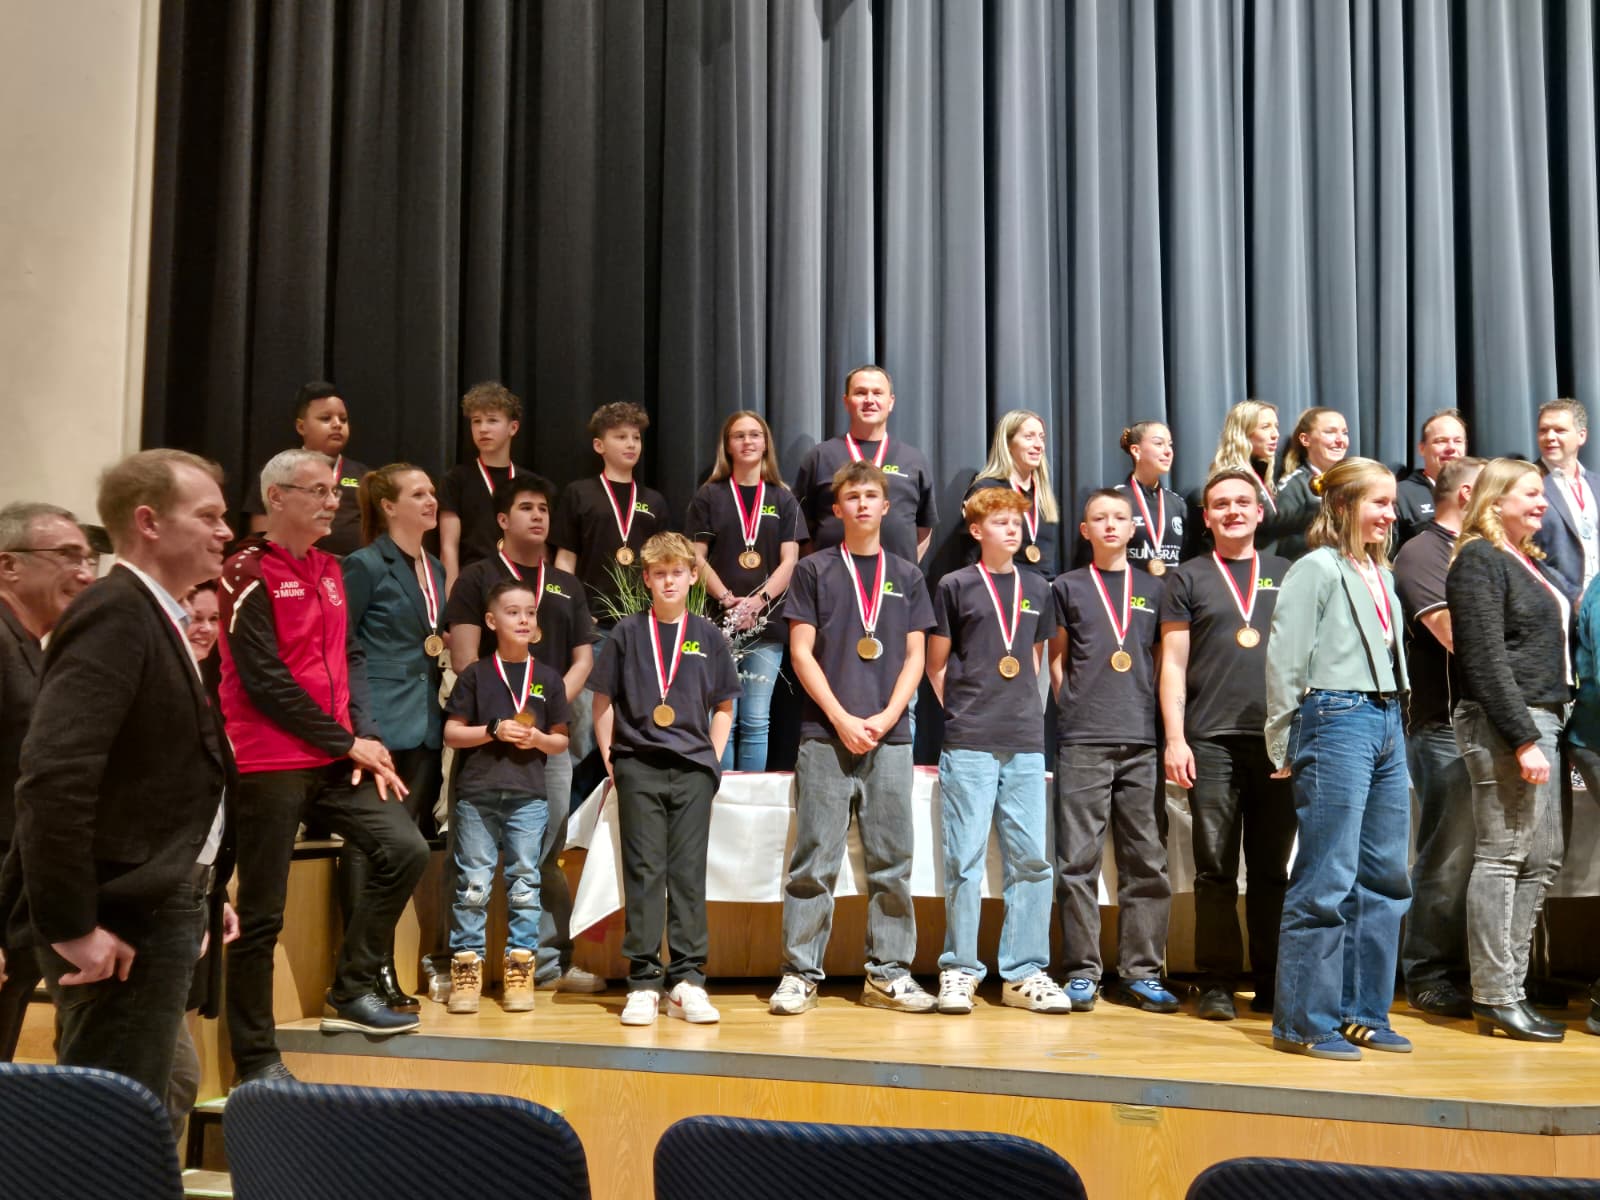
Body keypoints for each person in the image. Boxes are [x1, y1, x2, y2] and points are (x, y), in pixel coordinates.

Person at [4, 451, 231, 1106]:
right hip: (124, 914)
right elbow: (54, 777)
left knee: (163, 1091)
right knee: (111, 1119)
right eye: (208, 515)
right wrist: (72, 925)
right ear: (149, 523)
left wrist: (206, 881)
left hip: (159, 903)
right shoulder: (116, 612)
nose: (225, 530)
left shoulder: (155, 614)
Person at [219, 449, 430, 1084]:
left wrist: (366, 734)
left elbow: (351, 656)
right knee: (261, 915)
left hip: (335, 755)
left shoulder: (331, 568)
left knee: (406, 849)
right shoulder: (246, 571)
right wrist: (345, 742)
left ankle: (352, 986)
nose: (331, 501)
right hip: (269, 760)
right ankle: (255, 1059)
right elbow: (264, 680)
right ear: (276, 497)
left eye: (333, 491)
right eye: (316, 491)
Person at [770, 461, 936, 1016]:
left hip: (891, 736)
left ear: (886, 507)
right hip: (825, 733)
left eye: (871, 496)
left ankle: (888, 975)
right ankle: (800, 974)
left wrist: (886, 717)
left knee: (892, 862)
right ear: (837, 509)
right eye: (853, 497)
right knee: (814, 861)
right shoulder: (814, 570)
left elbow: (915, 657)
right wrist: (841, 717)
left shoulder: (907, 575)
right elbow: (800, 654)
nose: (863, 504)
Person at [1264, 457, 1411, 1060]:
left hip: (1387, 717)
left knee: (1386, 877)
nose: (1391, 514)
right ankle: (1303, 1021)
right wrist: (1282, 739)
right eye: (1379, 502)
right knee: (1327, 875)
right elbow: (1285, 657)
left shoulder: (1380, 572)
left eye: (1392, 503)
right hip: (1336, 715)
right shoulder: (1316, 568)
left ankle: (1363, 1012)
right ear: (1345, 505)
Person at [444, 474, 600, 994]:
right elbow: (465, 658)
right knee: (469, 859)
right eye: (526, 508)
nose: (538, 516)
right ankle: (455, 962)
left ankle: (546, 964)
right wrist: (497, 723)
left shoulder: (566, 584)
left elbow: (583, 659)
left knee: (544, 855)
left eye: (544, 509)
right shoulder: (477, 577)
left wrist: (543, 708)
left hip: (546, 741)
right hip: (486, 738)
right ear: (502, 520)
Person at [925, 488, 1068, 1015]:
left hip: (1025, 742)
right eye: (1000, 522)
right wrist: (964, 711)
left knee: (1032, 861)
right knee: (964, 860)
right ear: (976, 530)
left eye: (1017, 522)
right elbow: (935, 662)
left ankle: (1023, 972)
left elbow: (1033, 658)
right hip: (969, 740)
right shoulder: (954, 585)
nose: (1012, 530)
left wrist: (1023, 712)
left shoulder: (1038, 587)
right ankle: (960, 968)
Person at [1159, 470, 1294, 1021]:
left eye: (1243, 502)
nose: (1233, 511)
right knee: (1214, 868)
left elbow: (1306, 659)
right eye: (1221, 504)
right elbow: (1172, 664)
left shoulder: (1288, 574)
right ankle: (1216, 981)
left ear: (1260, 512)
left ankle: (1273, 982)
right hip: (1210, 740)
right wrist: (1175, 738)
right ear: (1207, 517)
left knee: (1271, 871)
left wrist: (1300, 733)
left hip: (1278, 740)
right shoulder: (1187, 577)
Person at [590, 533, 740, 1026]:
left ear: (694, 576)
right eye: (660, 573)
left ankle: (688, 981)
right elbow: (602, 703)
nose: (669, 580)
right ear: (647, 579)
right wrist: (613, 760)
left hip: (693, 769)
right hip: (638, 764)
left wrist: (711, 760)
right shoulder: (627, 633)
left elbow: (724, 705)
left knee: (688, 874)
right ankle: (643, 982)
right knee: (644, 872)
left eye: (678, 572)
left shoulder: (709, 635)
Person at [1448, 459, 1573, 1043]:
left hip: (1544, 716)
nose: (1542, 502)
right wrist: (1522, 737)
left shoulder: (1525, 559)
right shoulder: (1479, 558)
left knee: (1542, 858)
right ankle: (1495, 996)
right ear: (1495, 500)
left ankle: (1511, 989)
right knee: (1503, 855)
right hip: (1507, 721)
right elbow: (1483, 656)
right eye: (1530, 493)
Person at [1049, 490, 1175, 1014]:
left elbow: (1161, 659)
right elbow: (1056, 659)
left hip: (1141, 739)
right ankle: (1082, 971)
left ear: (1132, 528)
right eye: (1098, 518)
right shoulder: (1067, 587)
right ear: (1085, 530)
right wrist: (1073, 706)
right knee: (1076, 862)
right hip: (1083, 739)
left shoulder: (1155, 588)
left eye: (1119, 517)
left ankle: (1142, 972)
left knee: (1146, 861)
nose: (1109, 525)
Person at [340, 463, 449, 1011]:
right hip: (378, 725)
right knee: (370, 846)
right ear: (388, 506)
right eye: (418, 493)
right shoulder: (363, 564)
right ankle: (366, 970)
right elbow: (342, 646)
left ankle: (379, 967)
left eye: (432, 492)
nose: (431, 500)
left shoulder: (435, 567)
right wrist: (360, 727)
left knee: (404, 849)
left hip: (425, 722)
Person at [442, 579, 571, 1014]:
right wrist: (492, 730)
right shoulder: (476, 675)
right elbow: (452, 733)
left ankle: (520, 970)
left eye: (530, 612)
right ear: (491, 621)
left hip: (528, 797)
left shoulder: (548, 678)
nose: (523, 619)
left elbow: (560, 741)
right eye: (513, 612)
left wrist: (537, 738)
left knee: (524, 884)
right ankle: (466, 970)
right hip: (477, 794)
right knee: (473, 885)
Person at [0, 502, 97, 1061]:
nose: (84, 573)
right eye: (66, 555)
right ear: (9, 565)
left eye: (87, 558)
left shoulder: (32, 649)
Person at [1392, 456, 1485, 1017]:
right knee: (1448, 856)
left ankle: (1493, 974)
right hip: (1445, 726)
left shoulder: (1487, 549)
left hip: (1494, 724)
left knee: (1491, 858)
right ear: (1469, 494)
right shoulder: (1423, 551)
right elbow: (1456, 634)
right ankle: (1428, 972)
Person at [685, 411, 805, 771]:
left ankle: (750, 795)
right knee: (724, 715)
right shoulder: (710, 495)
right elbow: (695, 557)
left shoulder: (783, 498)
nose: (748, 441)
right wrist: (727, 599)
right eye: (739, 436)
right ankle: (721, 791)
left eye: (755, 434)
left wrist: (758, 602)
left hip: (767, 622)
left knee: (755, 719)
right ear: (727, 446)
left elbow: (790, 561)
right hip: (716, 621)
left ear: (766, 443)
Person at [792, 365, 938, 565]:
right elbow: (799, 525)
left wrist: (904, 571)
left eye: (877, 393)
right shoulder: (819, 457)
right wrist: (816, 571)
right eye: (860, 393)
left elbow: (925, 527)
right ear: (846, 402)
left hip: (893, 581)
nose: (869, 400)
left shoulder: (914, 460)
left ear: (890, 402)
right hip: (830, 578)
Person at [243, 382, 368, 556]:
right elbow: (263, 539)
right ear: (301, 427)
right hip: (290, 568)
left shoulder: (365, 476)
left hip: (352, 569)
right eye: (326, 418)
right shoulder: (277, 472)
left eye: (343, 419)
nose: (337, 424)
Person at [439, 381, 533, 594]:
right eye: (476, 421)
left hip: (520, 584)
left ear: (513, 428)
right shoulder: (456, 480)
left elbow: (538, 546)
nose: (483, 429)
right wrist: (452, 599)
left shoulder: (529, 482)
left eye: (492, 420)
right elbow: (448, 547)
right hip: (474, 583)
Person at [966, 410, 1062, 578]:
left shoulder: (1043, 495)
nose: (1039, 445)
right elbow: (971, 554)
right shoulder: (986, 489)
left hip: (1043, 588)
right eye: (1029, 437)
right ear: (1008, 443)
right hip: (1003, 586)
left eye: (1041, 437)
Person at [1196, 400, 1292, 557]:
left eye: (1276, 426)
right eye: (1265, 427)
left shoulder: (1258, 475)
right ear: (1243, 432)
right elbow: (1263, 526)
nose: (1275, 434)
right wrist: (1309, 514)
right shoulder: (1231, 478)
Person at [1533, 397, 1595, 601]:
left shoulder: (1596, 484)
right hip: (1559, 605)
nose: (1549, 437)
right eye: (1543, 430)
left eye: (1559, 430)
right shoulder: (1525, 483)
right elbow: (1523, 550)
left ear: (1581, 436)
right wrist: (1574, 596)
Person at [1273, 407, 1349, 560]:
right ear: (1305, 439)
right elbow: (1286, 548)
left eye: (1345, 433)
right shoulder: (1293, 487)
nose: (1340, 440)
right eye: (1330, 432)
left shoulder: (1354, 482)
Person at [1114, 421, 1185, 576]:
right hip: (1129, 590)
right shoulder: (1116, 500)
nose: (1168, 451)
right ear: (1136, 450)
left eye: (1170, 445)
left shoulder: (1178, 504)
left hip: (1170, 590)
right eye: (1159, 443)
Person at [1394, 409, 1469, 546]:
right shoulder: (1400, 495)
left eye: (1458, 441)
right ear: (1421, 448)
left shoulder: (1479, 493)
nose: (1451, 448)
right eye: (1441, 441)